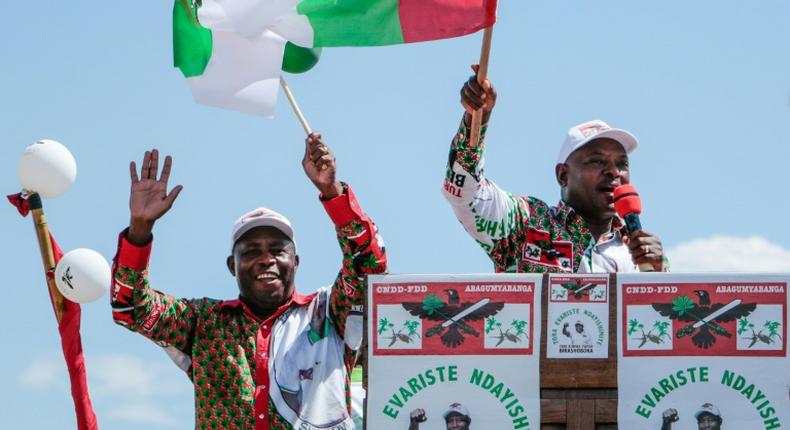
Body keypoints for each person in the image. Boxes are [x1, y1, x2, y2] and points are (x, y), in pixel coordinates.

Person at [110, 133, 387, 429]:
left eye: (278, 250)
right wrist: (140, 228)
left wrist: (333, 193)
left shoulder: (329, 314)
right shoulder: (203, 323)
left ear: (296, 262)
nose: (266, 259)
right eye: (252, 251)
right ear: (233, 266)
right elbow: (133, 311)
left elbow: (368, 265)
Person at [442, 67, 668, 273]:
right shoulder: (526, 223)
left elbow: (666, 315)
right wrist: (477, 118)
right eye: (597, 161)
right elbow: (466, 192)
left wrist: (660, 272)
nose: (613, 171)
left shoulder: (637, 254)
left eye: (622, 164)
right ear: (563, 175)